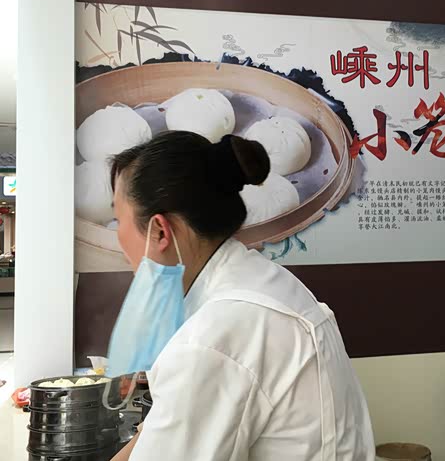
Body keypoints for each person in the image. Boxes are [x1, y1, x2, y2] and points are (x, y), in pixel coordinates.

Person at [109, 131, 375, 461]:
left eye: (118, 219)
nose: (118, 238)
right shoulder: (257, 280)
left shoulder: (213, 338)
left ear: (160, 230)